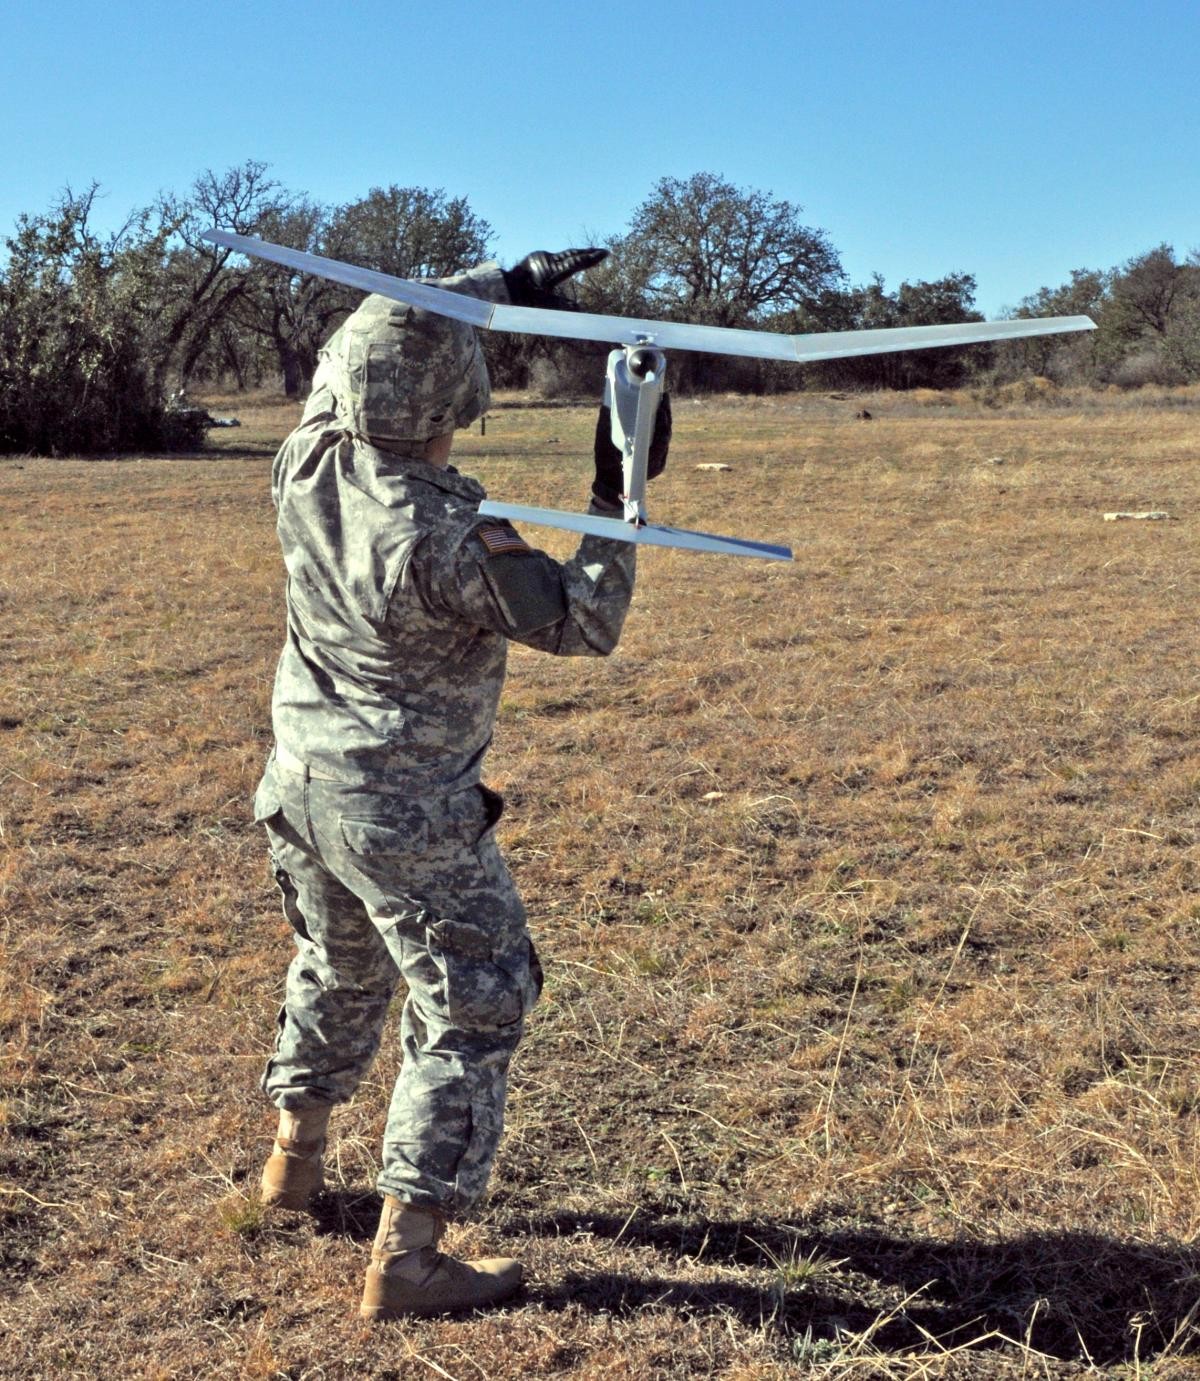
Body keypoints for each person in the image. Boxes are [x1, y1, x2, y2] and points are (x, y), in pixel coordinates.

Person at [249, 248, 671, 1320]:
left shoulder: (304, 463)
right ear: (457, 399)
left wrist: (501, 278)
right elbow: (585, 623)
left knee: (337, 967)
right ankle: (409, 1256)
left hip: (299, 783)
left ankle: (292, 1171)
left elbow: (359, 348)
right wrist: (618, 483)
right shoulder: (448, 535)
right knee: (475, 1004)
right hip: (404, 812)